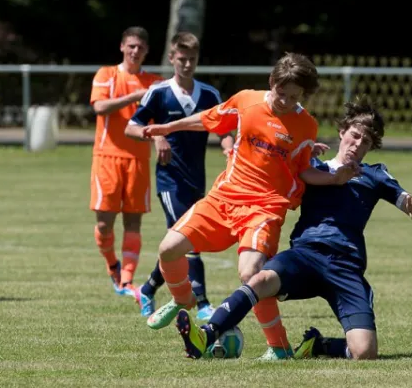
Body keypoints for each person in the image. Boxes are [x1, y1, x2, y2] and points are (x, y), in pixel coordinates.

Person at [132, 52, 359, 360]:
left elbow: (303, 168)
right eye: (282, 94)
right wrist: (169, 128)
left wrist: (334, 178)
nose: (286, 102)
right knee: (168, 248)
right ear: (271, 83)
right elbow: (209, 117)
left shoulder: (306, 125)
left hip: (265, 208)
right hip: (224, 198)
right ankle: (183, 301)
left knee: (251, 274)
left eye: (295, 97)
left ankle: (279, 347)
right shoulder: (247, 101)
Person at [172, 96, 412, 360]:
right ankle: (206, 334)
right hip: (305, 255)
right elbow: (274, 163)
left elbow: (406, 202)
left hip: (346, 266)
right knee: (259, 279)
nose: (357, 144)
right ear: (342, 132)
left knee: (364, 352)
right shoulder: (312, 169)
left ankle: (318, 345)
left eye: (365, 142)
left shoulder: (374, 174)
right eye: (354, 136)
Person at [125, 32, 234, 320]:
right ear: (172, 58)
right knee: (190, 239)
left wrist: (229, 149)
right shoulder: (159, 93)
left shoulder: (209, 95)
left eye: (192, 60)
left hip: (197, 180)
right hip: (169, 180)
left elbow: (223, 130)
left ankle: (147, 289)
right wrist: (154, 136)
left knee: (178, 242)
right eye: (181, 59)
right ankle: (203, 304)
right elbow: (131, 127)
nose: (186, 65)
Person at [89, 26, 163, 296]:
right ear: (122, 46)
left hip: (138, 160)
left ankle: (127, 280)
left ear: (146, 51)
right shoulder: (106, 74)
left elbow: (161, 121)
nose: (135, 51)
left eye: (140, 48)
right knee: (104, 224)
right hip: (107, 158)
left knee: (133, 224)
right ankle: (112, 266)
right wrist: (134, 96)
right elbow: (99, 107)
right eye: (131, 46)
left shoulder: (155, 81)